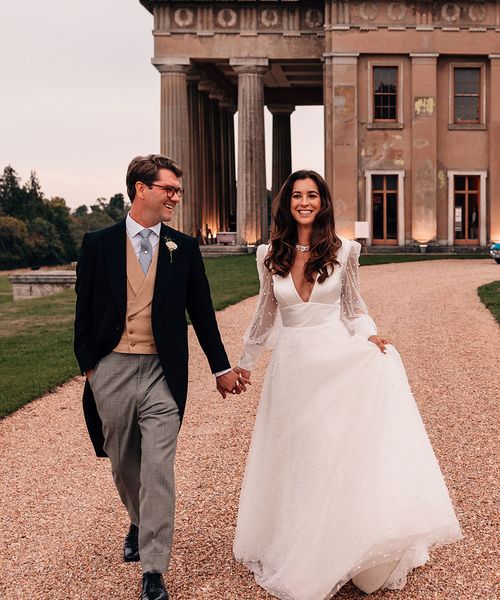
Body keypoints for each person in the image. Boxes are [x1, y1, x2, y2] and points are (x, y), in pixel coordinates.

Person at [233, 170, 462, 599]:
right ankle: (299, 542)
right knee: (298, 453)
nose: (304, 202)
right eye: (297, 195)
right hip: (292, 370)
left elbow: (354, 308)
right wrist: (243, 365)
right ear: (287, 203)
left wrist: (370, 335)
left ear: (323, 202)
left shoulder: (345, 250)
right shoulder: (268, 253)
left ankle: (347, 542)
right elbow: (265, 316)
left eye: (312, 195)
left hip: (335, 362)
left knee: (332, 450)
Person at [74, 154, 243, 600]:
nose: (175, 197)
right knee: (124, 464)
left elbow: (202, 313)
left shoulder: (182, 248)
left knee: (158, 468)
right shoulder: (97, 243)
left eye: (177, 190)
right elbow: (83, 312)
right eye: (168, 189)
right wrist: (90, 367)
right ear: (140, 189)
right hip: (110, 367)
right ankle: (138, 518)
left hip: (162, 373)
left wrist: (220, 367)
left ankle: (153, 569)